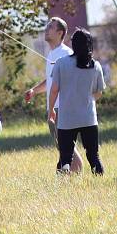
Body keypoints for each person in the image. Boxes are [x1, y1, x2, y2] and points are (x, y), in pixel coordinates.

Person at [24, 17, 84, 173]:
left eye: (50, 27)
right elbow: (51, 81)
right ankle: (69, 176)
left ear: (60, 33)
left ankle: (76, 173)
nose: (46, 29)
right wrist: (34, 91)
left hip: (62, 108)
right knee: (62, 146)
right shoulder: (52, 54)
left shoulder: (66, 53)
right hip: (54, 107)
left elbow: (74, 80)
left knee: (66, 146)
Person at [48, 28, 106, 175]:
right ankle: (99, 180)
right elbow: (98, 93)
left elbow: (54, 90)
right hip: (89, 119)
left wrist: (51, 110)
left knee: (65, 157)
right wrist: (87, 100)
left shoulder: (61, 63)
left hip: (67, 120)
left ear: (73, 44)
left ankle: (63, 182)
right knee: (93, 156)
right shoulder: (96, 65)